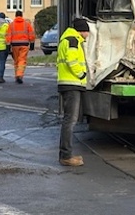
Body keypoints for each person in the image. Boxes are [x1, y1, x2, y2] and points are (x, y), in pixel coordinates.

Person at [57, 18, 90, 167]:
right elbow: (72, 61)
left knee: (69, 120)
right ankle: (66, 156)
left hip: (68, 84)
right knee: (70, 121)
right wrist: (82, 74)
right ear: (82, 31)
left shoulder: (69, 39)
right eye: (87, 31)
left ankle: (66, 154)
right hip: (72, 84)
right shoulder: (73, 41)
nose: (88, 34)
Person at [6, 11, 35, 84]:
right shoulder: (27, 24)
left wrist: (8, 45)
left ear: (15, 16)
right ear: (22, 16)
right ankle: (19, 75)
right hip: (24, 44)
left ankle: (17, 76)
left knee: (16, 61)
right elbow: (31, 34)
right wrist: (32, 44)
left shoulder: (11, 25)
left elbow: (8, 35)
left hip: (14, 45)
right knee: (22, 60)